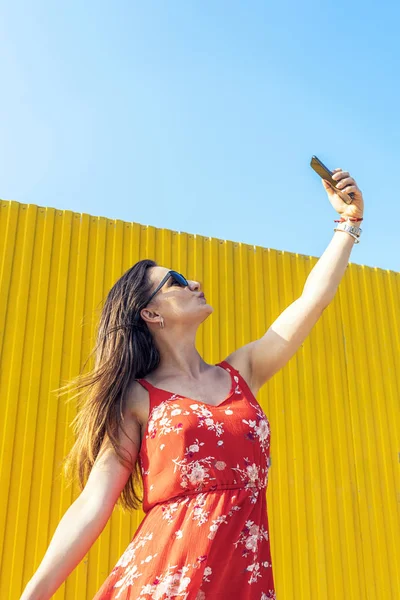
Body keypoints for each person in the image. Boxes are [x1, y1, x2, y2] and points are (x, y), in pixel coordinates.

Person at [21, 167, 364, 599]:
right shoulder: (138, 399)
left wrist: (348, 223)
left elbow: (312, 300)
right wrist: (32, 595)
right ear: (151, 314)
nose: (194, 283)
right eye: (177, 282)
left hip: (242, 584)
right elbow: (93, 505)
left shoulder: (244, 373)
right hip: (163, 583)